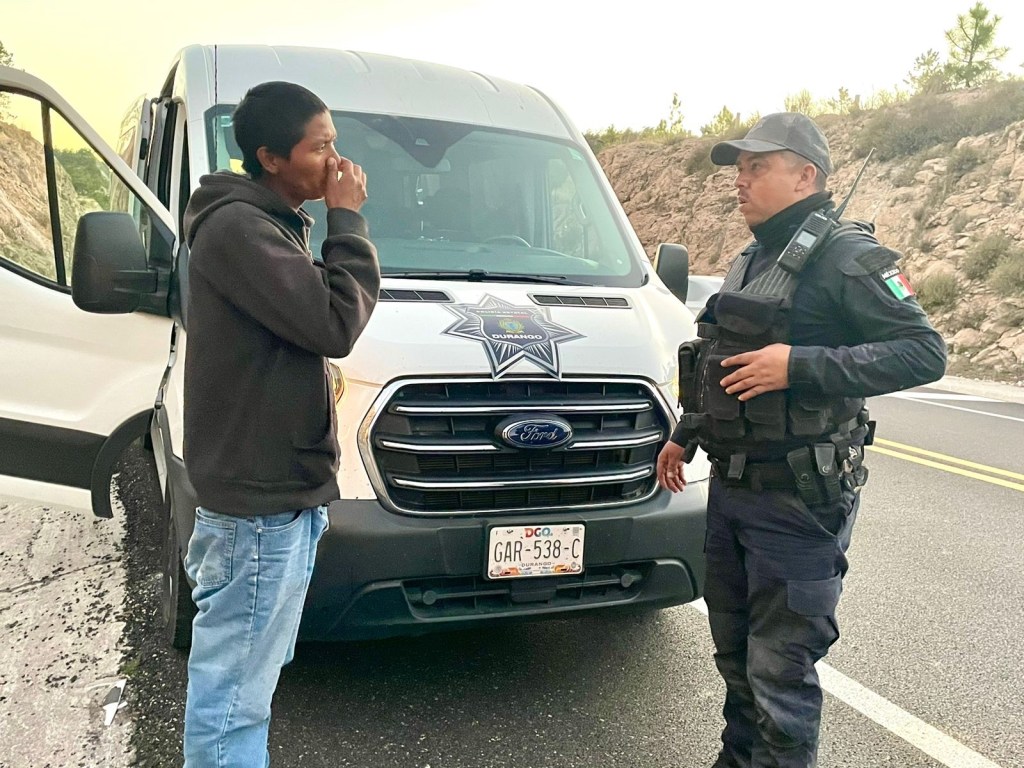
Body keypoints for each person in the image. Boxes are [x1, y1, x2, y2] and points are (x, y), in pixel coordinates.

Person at [657, 112, 946, 768]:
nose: (742, 179)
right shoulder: (753, 256)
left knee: (779, 678)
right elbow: (714, 357)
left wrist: (800, 365)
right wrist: (686, 434)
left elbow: (925, 351)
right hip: (732, 494)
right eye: (739, 167)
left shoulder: (850, 256)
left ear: (805, 175)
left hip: (797, 505)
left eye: (758, 165)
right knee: (735, 661)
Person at [180, 81, 380, 766]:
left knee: (243, 689)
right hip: (258, 509)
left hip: (274, 500)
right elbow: (333, 323)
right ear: (270, 156)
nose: (335, 160)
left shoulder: (266, 222)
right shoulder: (240, 228)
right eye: (320, 145)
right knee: (233, 700)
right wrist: (346, 222)